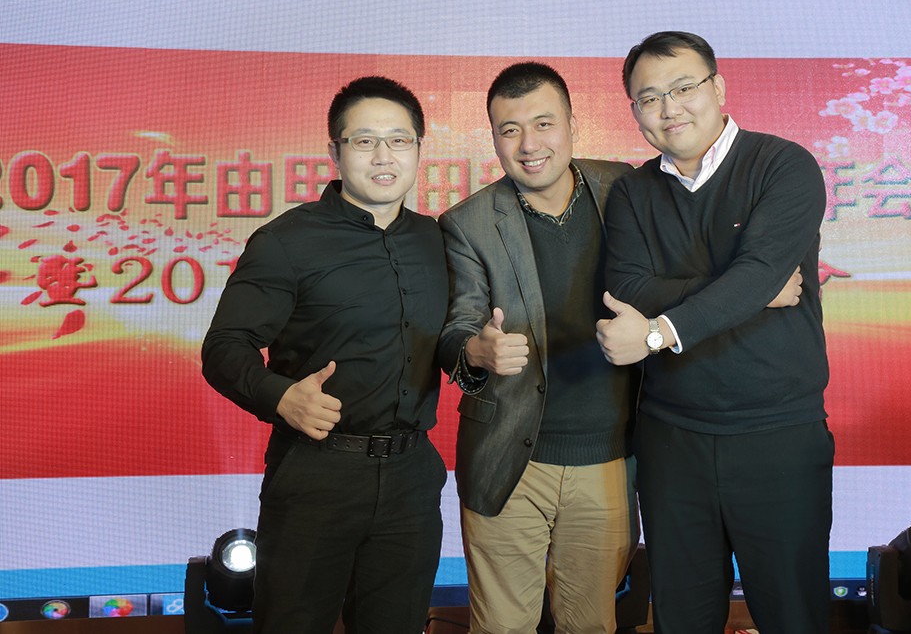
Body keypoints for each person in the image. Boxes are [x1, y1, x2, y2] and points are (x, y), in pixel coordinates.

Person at [596, 31, 833, 633]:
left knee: (793, 615)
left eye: (684, 88)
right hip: (672, 439)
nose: (669, 108)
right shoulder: (632, 192)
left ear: (718, 88)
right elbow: (629, 287)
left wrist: (658, 332)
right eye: (649, 97)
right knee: (681, 617)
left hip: (778, 435)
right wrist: (750, 290)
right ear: (635, 111)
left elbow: (757, 270)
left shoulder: (783, 165)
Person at [201, 76, 448, 634]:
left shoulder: (438, 240)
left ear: (418, 149)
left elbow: (453, 337)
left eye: (399, 140)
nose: (383, 156)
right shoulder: (287, 241)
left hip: (411, 476)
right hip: (317, 472)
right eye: (364, 141)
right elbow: (224, 348)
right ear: (335, 151)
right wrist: (281, 397)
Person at [438, 62, 639, 634]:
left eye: (544, 124)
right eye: (510, 130)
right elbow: (457, 327)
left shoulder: (625, 187)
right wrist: (476, 352)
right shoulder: (467, 223)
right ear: (494, 138)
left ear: (573, 124)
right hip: (508, 460)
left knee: (591, 624)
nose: (529, 145)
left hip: (609, 460)